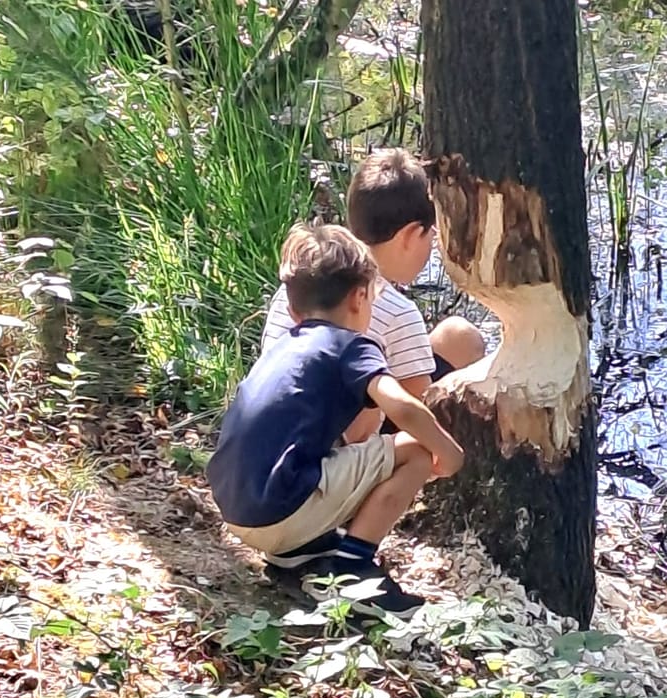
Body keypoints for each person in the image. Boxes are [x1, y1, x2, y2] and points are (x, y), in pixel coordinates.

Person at [207, 223, 465, 619]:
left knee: (345, 448)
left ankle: (300, 552)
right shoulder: (351, 347)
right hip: (278, 508)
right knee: (413, 451)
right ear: (361, 297)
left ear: (293, 310)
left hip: (234, 506)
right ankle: (352, 566)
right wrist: (448, 452)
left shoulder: (284, 348)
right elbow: (402, 405)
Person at [262, 148, 487, 443]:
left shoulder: (300, 281)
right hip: (333, 452)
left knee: (454, 337)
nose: (434, 244)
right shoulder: (397, 312)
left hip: (273, 439)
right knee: (464, 340)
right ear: (409, 236)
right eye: (431, 233)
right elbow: (421, 408)